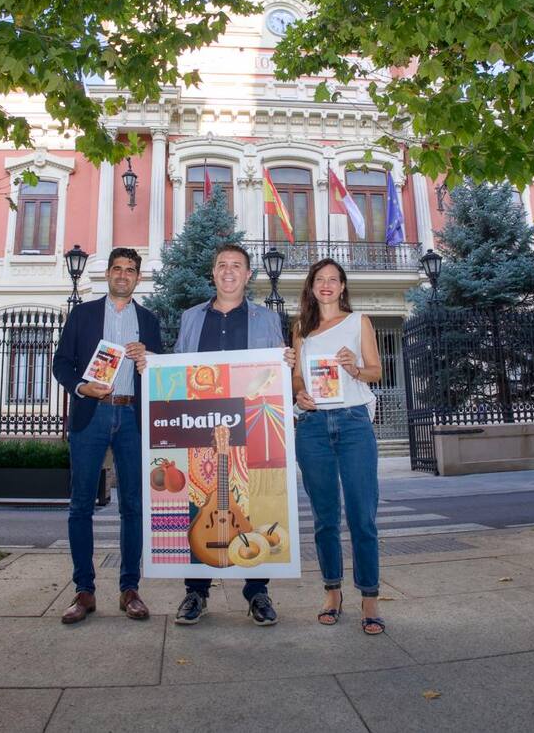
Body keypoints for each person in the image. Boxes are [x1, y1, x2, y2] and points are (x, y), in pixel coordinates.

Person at [149, 243, 293, 626]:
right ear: (213, 273)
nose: (229, 271)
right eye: (222, 265)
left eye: (237, 265)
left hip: (251, 425)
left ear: (248, 275)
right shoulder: (191, 318)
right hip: (201, 424)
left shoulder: (267, 319)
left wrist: (286, 362)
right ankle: (196, 592)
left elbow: (274, 371)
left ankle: (257, 591)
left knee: (252, 504)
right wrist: (154, 370)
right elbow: (178, 367)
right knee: (199, 502)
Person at [52, 247, 164, 625]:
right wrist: (82, 387)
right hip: (92, 414)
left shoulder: (148, 321)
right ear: (108, 274)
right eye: (117, 268)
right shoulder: (83, 315)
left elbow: (161, 369)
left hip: (133, 416)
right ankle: (84, 591)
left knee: (133, 506)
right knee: (80, 505)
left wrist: (148, 357)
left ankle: (130, 589)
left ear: (138, 278)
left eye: (130, 270)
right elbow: (61, 363)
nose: (123, 275)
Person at [291, 258, 386, 635]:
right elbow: (297, 377)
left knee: (362, 515)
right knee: (324, 517)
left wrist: (354, 368)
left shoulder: (359, 321)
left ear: (343, 286)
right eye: (320, 279)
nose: (327, 285)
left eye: (334, 279)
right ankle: (332, 592)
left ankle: (370, 597)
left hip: (352, 423)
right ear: (312, 286)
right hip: (312, 426)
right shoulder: (301, 328)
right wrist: (300, 393)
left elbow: (376, 371)